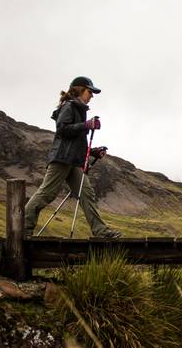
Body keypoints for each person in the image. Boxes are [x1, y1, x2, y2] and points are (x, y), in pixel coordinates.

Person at [24, 76, 121, 238]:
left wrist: (93, 152)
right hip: (62, 159)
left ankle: (100, 231)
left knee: (86, 194)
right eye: (90, 91)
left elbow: (76, 141)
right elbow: (62, 130)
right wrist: (86, 125)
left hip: (73, 162)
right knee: (47, 193)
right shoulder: (68, 106)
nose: (92, 96)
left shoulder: (79, 109)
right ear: (79, 90)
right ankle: (23, 229)